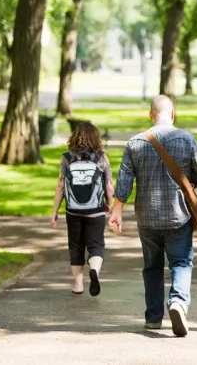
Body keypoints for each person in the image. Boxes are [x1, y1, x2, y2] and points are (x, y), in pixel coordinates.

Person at [109, 95, 197, 337]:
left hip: (147, 217)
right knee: (181, 262)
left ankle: (153, 318)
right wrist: (188, 183)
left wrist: (117, 211)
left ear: (150, 115)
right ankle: (177, 302)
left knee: (151, 267)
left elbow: (124, 181)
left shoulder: (135, 143)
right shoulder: (187, 140)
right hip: (178, 214)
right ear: (172, 114)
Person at [51, 122, 114, 296]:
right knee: (96, 244)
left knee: (76, 245)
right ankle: (94, 269)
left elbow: (60, 186)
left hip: (73, 210)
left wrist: (55, 211)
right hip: (95, 210)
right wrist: (109, 205)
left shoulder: (67, 157)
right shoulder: (101, 157)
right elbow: (109, 186)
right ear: (96, 137)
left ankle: (78, 285)